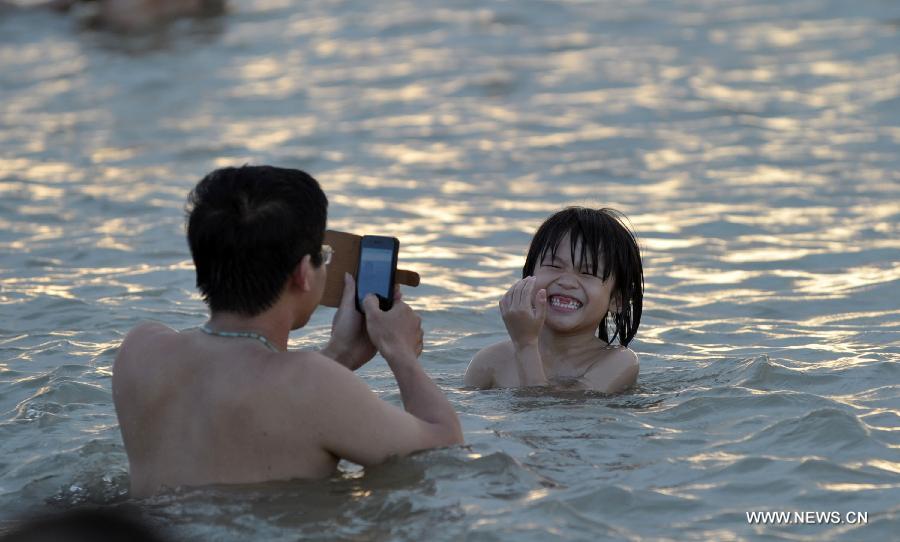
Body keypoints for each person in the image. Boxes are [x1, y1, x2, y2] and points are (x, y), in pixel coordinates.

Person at [112, 166, 463, 498]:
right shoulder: (311, 382)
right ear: (302, 274)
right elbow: (445, 453)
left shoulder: (140, 350)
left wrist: (340, 354)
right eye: (321, 256)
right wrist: (400, 352)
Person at [464, 207, 643, 393]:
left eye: (588, 272)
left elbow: (545, 414)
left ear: (617, 300)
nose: (566, 282)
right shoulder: (490, 361)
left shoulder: (619, 362)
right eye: (554, 265)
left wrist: (525, 345)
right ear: (528, 276)